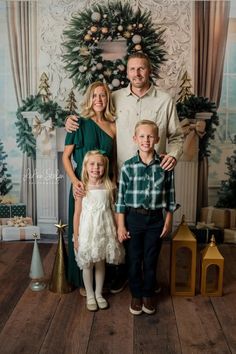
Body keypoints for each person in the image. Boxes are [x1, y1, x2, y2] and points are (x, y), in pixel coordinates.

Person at [65, 52, 183, 293]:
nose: (137, 73)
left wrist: (173, 154)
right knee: (120, 228)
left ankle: (147, 278)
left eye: (141, 69)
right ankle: (122, 275)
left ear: (149, 70)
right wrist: (70, 121)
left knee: (150, 230)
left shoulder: (164, 100)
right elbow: (95, 114)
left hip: (152, 178)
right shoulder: (115, 98)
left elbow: (177, 137)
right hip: (119, 176)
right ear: (126, 72)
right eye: (132, 69)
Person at [116, 120, 178, 315]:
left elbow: (170, 195)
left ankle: (148, 293)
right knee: (134, 258)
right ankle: (136, 293)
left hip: (155, 220)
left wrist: (168, 220)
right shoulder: (127, 167)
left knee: (150, 258)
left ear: (157, 139)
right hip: (133, 219)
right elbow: (120, 200)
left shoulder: (165, 165)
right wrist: (120, 226)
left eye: (150, 136)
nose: (146, 140)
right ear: (135, 139)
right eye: (142, 136)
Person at [62, 81, 117, 295]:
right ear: (89, 98)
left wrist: (114, 185)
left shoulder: (113, 126)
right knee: (83, 232)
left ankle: (104, 282)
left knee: (103, 231)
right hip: (82, 186)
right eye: (94, 96)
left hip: (104, 188)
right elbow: (66, 157)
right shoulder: (78, 123)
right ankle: (82, 281)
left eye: (103, 95)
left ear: (108, 99)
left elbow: (113, 160)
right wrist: (75, 181)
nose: (99, 100)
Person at [73, 150, 124, 311]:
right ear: (86, 167)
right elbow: (77, 213)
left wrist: (117, 230)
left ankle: (99, 293)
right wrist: (76, 236)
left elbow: (114, 210)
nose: (96, 168)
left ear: (105, 167)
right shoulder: (82, 187)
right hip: (88, 233)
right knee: (87, 264)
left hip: (104, 232)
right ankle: (89, 295)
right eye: (92, 164)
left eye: (100, 164)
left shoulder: (109, 186)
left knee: (101, 263)